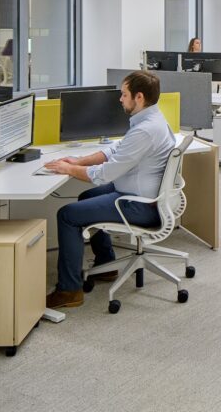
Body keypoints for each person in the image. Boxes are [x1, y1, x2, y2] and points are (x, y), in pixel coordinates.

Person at [42, 70, 175, 308]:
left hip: (138, 205)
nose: (120, 99)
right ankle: (106, 264)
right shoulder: (151, 120)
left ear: (139, 97)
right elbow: (116, 150)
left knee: (67, 215)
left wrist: (66, 169)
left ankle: (69, 291)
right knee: (86, 197)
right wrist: (78, 162)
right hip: (143, 194)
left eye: (124, 95)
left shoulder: (145, 130)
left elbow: (104, 174)